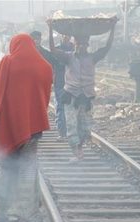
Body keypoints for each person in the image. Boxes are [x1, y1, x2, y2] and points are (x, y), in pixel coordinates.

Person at [0, 34, 52, 221]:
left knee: (9, 168)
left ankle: (3, 209)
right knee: (29, 167)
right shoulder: (45, 66)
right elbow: (45, 97)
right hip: (34, 128)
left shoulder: (7, 62)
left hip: (10, 126)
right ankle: (27, 210)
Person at [47, 18, 117, 161]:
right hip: (70, 96)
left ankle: (80, 148)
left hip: (86, 97)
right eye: (79, 44)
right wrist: (49, 28)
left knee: (85, 128)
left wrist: (113, 28)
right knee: (71, 126)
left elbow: (108, 47)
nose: (81, 47)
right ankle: (77, 153)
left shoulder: (93, 57)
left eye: (84, 44)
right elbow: (53, 50)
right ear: (75, 45)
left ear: (87, 45)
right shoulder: (68, 57)